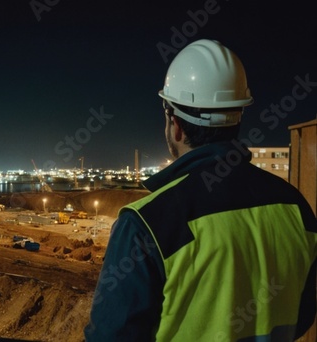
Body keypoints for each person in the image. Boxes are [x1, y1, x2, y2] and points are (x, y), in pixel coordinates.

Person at [84, 39, 317, 341]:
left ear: (175, 123)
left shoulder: (147, 224)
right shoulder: (296, 207)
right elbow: (303, 314)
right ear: (238, 115)